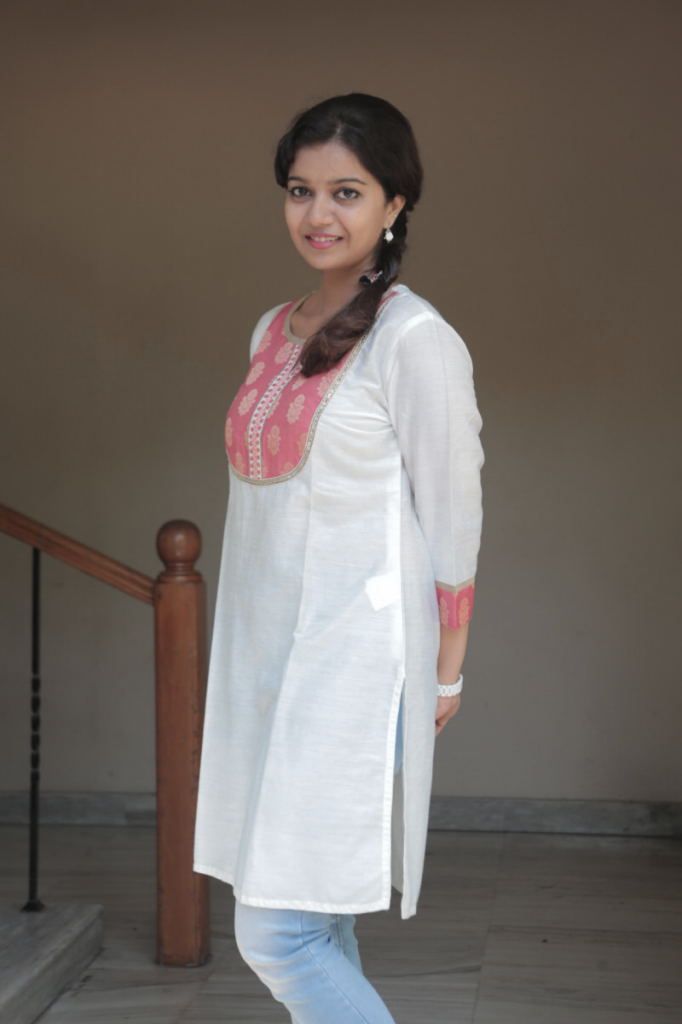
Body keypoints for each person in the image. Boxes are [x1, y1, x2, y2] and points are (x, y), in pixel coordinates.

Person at [192, 92, 485, 1023]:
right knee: (317, 919)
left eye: (346, 192)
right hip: (264, 663)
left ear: (395, 202)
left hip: (354, 664)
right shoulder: (269, 330)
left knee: (278, 932)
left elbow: (455, 516)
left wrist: (444, 674)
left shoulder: (413, 340)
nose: (318, 214)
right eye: (300, 190)